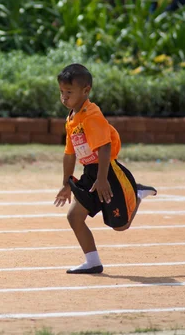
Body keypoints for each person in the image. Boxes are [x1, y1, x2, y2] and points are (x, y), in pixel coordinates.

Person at [54, 64, 157, 275]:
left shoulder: (92, 115)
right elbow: (69, 153)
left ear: (86, 91)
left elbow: (105, 146)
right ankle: (93, 262)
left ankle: (135, 193)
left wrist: (102, 179)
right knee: (74, 217)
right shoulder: (71, 119)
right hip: (90, 173)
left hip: (107, 172)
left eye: (69, 92)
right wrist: (66, 184)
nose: (64, 97)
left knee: (120, 226)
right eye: (62, 92)